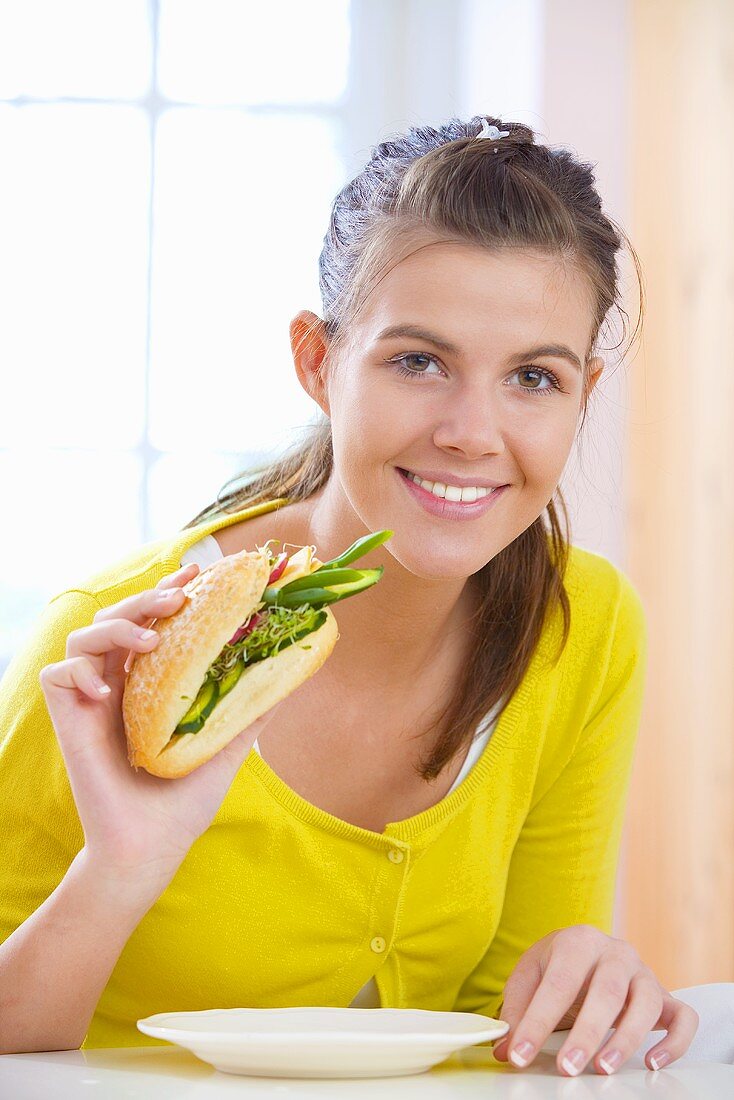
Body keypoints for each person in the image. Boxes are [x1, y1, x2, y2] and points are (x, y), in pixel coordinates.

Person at [0, 114, 701, 1075]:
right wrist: (121, 870)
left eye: (534, 378)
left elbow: (506, 1039)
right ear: (319, 362)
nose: (470, 431)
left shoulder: (582, 624)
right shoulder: (111, 650)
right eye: (419, 361)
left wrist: (578, 991)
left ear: (584, 391)